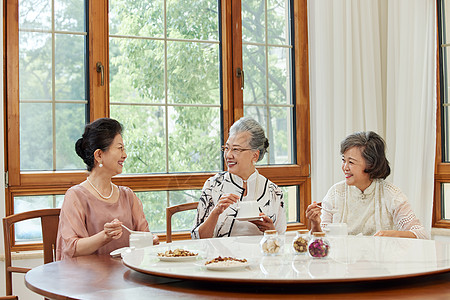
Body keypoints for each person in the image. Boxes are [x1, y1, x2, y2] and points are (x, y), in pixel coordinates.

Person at [56, 118, 159, 260]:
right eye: (120, 148)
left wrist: (150, 241)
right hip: (90, 280)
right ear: (99, 155)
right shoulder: (76, 196)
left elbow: (144, 235)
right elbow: (71, 248)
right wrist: (105, 236)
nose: (125, 155)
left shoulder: (128, 196)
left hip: (127, 277)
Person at [306, 131, 429, 239]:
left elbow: (421, 234)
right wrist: (316, 224)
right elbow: (322, 243)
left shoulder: (391, 194)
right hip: (342, 264)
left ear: (371, 164)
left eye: (351, 162)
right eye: (343, 160)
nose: (345, 167)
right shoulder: (336, 193)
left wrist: (392, 234)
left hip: (380, 264)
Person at [192, 117, 286, 239]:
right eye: (226, 148)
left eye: (236, 149)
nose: (228, 155)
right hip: (221, 258)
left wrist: (271, 231)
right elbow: (197, 239)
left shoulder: (274, 192)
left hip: (259, 257)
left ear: (255, 155)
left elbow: (280, 242)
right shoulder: (213, 185)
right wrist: (216, 212)